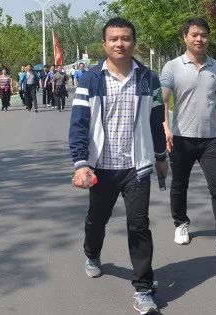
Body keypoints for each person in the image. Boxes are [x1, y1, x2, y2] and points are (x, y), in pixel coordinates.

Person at [69, 17, 167, 315]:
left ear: (133, 42)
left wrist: (161, 157)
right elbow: (79, 123)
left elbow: (156, 121)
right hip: (101, 168)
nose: (119, 44)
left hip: (136, 168)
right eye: (113, 39)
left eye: (125, 38)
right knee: (97, 220)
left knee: (139, 225)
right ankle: (92, 253)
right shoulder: (91, 79)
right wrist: (81, 163)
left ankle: (144, 288)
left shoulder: (148, 78)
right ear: (104, 43)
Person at [160, 17, 216, 257]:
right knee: (179, 185)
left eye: (204, 35)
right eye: (194, 35)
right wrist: (166, 129)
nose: (199, 39)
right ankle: (181, 223)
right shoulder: (172, 67)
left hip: (210, 139)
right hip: (181, 138)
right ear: (185, 37)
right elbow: (162, 101)